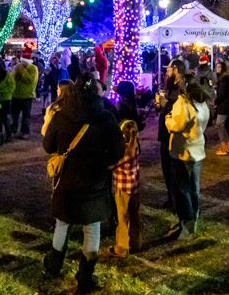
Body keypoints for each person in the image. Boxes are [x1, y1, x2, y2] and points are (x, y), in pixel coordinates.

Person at [42, 75, 123, 293]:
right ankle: (85, 277)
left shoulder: (61, 116)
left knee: (62, 223)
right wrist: (104, 162)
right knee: (92, 229)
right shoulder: (105, 118)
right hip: (94, 182)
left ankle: (54, 265)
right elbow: (118, 151)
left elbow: (48, 145)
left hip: (67, 182)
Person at [165, 80, 211, 239]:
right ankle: (191, 220)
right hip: (197, 151)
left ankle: (187, 225)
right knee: (193, 189)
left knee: (182, 190)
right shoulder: (202, 105)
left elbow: (175, 126)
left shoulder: (185, 106)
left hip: (184, 153)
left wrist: (167, 117)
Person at [109, 119, 142, 259]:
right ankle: (136, 242)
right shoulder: (135, 145)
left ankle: (122, 247)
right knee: (134, 215)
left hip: (123, 188)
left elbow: (111, 165)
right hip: (134, 187)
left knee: (122, 218)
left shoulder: (124, 151)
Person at [158, 60, 185, 210]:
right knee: (167, 168)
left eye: (169, 69)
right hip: (165, 131)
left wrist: (166, 104)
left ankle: (176, 200)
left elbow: (179, 108)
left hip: (173, 132)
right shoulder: (170, 85)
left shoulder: (181, 87)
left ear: (176, 70)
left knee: (173, 168)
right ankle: (171, 197)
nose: (167, 72)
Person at [11, 52, 39, 139]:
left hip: (27, 96)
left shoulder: (33, 68)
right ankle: (13, 131)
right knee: (14, 115)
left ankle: (25, 132)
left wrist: (22, 70)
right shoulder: (17, 67)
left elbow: (29, 80)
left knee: (26, 116)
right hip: (15, 95)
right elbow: (12, 79)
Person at [213, 61, 229, 155]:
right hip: (228, 104)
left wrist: (215, 102)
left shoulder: (224, 79)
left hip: (223, 105)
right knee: (227, 124)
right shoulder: (228, 78)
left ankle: (223, 146)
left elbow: (222, 93)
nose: (217, 69)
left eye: (219, 67)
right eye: (217, 67)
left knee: (219, 124)